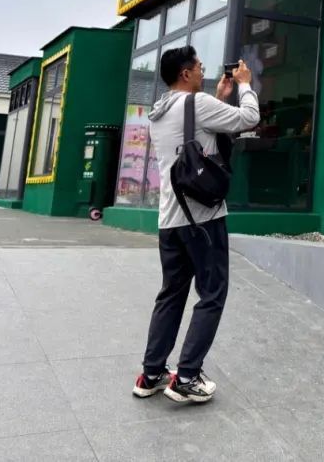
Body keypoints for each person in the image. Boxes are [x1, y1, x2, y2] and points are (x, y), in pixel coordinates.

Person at [132, 46, 259, 403]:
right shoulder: (197, 104)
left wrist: (218, 98)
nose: (204, 70)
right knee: (212, 294)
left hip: (170, 220)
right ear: (185, 74)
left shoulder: (159, 113)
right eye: (200, 67)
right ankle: (186, 376)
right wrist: (245, 85)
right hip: (203, 219)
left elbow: (196, 135)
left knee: (171, 294)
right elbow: (249, 118)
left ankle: (151, 373)